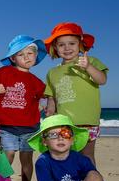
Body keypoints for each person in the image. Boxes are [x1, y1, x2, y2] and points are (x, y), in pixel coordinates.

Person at [0, 35, 47, 181]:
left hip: (30, 126)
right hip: (7, 125)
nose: (27, 57)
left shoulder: (37, 81)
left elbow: (44, 98)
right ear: (13, 58)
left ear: (36, 57)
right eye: (21, 54)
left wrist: (43, 104)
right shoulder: (3, 72)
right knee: (8, 155)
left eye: (30, 53)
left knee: (27, 160)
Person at [29, 114, 116, 181]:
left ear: (72, 140)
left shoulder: (80, 159)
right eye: (53, 135)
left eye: (65, 134)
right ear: (44, 141)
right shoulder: (42, 162)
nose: (60, 138)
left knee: (95, 176)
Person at [44, 22, 107, 165]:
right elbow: (52, 97)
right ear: (55, 47)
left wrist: (88, 67)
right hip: (65, 123)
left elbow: (102, 80)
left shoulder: (91, 61)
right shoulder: (52, 72)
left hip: (88, 121)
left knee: (87, 157)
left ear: (80, 44)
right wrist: (50, 113)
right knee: (68, 158)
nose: (67, 48)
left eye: (72, 43)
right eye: (61, 45)